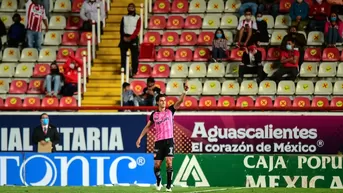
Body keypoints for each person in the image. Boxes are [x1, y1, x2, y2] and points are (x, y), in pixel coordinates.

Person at [136, 83, 189, 192]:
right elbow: (147, 127)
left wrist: (185, 91)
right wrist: (140, 138)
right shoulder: (154, 115)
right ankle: (159, 180)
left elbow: (180, 102)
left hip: (169, 141)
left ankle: (169, 186)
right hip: (158, 142)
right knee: (157, 165)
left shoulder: (170, 111)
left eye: (164, 100)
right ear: (157, 102)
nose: (163, 102)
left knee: (169, 162)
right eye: (161, 100)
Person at [119, 3, 141, 76]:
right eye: (129, 6)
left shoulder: (138, 17)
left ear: (134, 8)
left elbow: (137, 29)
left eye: (132, 7)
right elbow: (121, 29)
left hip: (133, 38)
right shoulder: (124, 17)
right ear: (127, 8)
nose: (131, 8)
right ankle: (124, 70)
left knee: (134, 56)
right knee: (123, 55)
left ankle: (134, 71)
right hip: (124, 37)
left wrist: (131, 38)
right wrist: (123, 37)